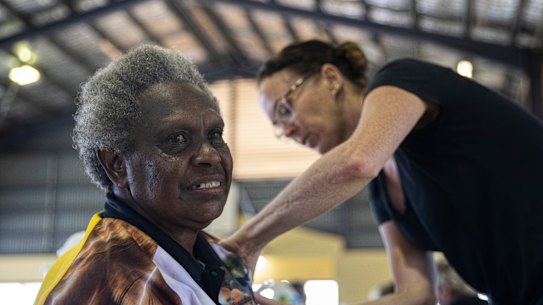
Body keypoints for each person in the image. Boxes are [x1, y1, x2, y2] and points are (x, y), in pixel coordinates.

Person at [223, 39, 543, 305]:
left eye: (285, 109)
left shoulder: (401, 79)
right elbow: (415, 295)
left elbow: (357, 161)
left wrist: (246, 242)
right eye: (279, 127)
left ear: (332, 78)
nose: (288, 129)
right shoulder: (382, 190)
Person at [34, 45, 257, 305]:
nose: (210, 155)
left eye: (215, 135)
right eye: (178, 139)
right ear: (117, 165)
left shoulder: (209, 255)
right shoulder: (112, 287)